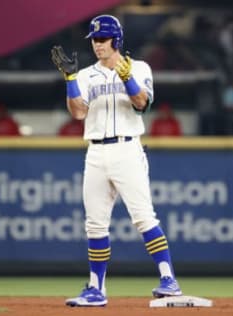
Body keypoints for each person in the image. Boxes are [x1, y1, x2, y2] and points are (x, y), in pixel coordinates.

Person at [51, 14, 182, 307]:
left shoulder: (140, 68)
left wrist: (126, 76)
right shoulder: (85, 75)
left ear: (117, 40)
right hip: (95, 152)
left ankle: (168, 279)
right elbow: (78, 113)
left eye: (102, 39)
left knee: (144, 217)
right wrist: (71, 80)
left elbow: (142, 103)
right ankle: (96, 288)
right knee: (95, 225)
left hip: (127, 149)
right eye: (94, 40)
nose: (97, 45)